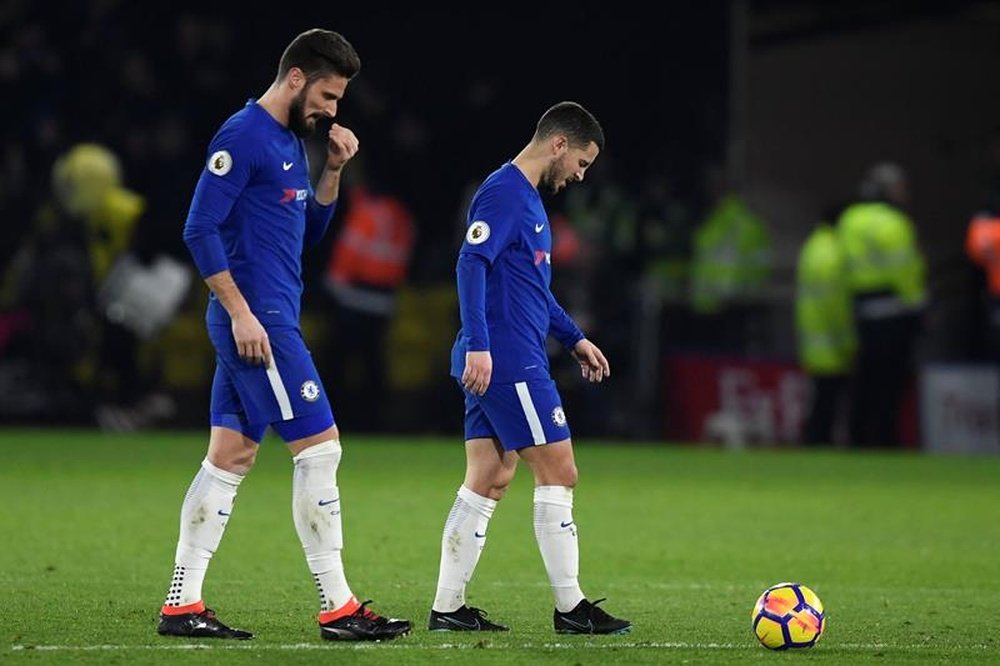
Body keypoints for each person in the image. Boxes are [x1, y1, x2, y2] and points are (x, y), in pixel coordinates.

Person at [157, 28, 410, 642]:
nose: (331, 109)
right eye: (327, 94)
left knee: (230, 458)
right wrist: (241, 313)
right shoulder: (244, 135)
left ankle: (181, 604)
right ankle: (338, 607)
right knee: (320, 450)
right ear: (295, 77)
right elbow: (199, 228)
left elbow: (307, 235)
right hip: (259, 326)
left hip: (265, 319)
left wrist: (333, 171)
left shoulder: (294, 145)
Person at [429, 101, 631, 635]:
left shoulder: (529, 203)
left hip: (500, 356)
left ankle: (447, 608)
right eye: (582, 163)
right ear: (559, 144)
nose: (580, 175)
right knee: (560, 472)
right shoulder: (506, 191)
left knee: (489, 479)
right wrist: (479, 343)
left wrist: (574, 338)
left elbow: (532, 291)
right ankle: (571, 608)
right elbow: (470, 262)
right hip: (508, 360)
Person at [836, 162, 926, 447]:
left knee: (864, 379)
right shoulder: (894, 223)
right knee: (890, 382)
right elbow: (905, 271)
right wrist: (918, 307)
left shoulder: (850, 219)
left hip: (860, 309)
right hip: (894, 311)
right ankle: (886, 439)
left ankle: (858, 438)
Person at [322, 170, 416, 432]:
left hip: (353, 298)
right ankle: (373, 422)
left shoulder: (367, 212)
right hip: (385, 300)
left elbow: (348, 251)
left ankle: (331, 421)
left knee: (338, 364)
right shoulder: (401, 216)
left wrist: (331, 285)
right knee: (373, 364)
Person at [794, 215, 856, 445]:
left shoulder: (811, 248)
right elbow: (837, 306)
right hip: (832, 344)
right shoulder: (835, 254)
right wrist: (848, 343)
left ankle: (814, 443)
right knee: (829, 403)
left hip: (812, 340)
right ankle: (823, 444)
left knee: (820, 401)